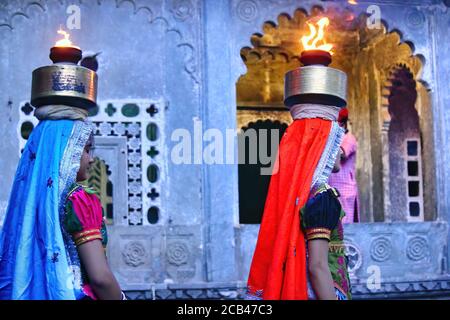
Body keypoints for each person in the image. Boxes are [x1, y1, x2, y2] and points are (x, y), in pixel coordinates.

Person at [0, 107, 124, 300]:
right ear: (66, 150)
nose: (91, 159)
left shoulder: (27, 205)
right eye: (86, 149)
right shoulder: (80, 200)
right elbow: (100, 278)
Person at [246, 103, 351, 300]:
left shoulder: (303, 196)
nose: (338, 151)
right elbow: (317, 267)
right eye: (335, 143)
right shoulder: (322, 198)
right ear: (322, 149)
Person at [328, 108, 359, 223]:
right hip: (331, 187)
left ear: (341, 123)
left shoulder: (349, 138)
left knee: (344, 228)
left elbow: (341, 154)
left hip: (344, 190)